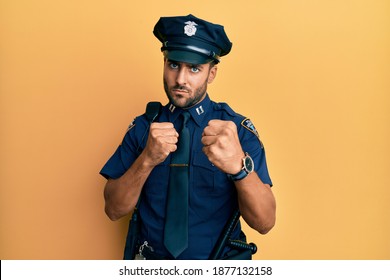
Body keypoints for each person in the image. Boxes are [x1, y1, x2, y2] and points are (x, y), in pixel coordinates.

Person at [100, 14, 276, 260]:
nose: (180, 79)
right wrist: (147, 159)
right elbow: (113, 209)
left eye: (194, 68)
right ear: (164, 62)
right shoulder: (144, 127)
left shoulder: (235, 130)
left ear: (211, 74)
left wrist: (239, 167)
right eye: (174, 65)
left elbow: (265, 223)